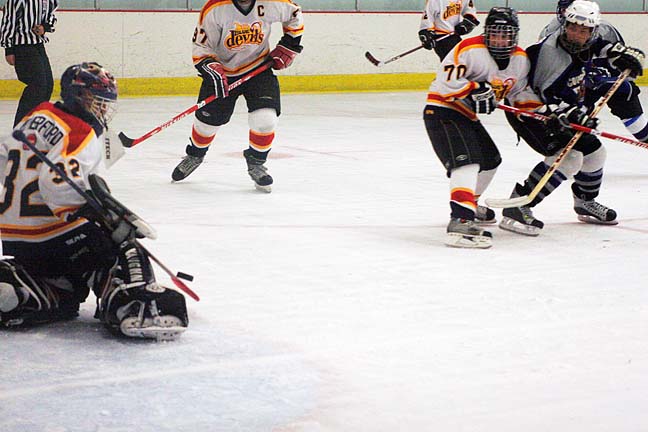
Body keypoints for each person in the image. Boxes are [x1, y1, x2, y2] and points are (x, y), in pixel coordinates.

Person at [0, 62, 189, 340]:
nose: (101, 109)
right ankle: (133, 304)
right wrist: (99, 215)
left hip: (14, 235)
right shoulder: (80, 131)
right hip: (53, 230)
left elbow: (3, 159)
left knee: (69, 290)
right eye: (96, 100)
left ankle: (21, 288)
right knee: (122, 248)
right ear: (77, 95)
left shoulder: (38, 114)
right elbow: (56, 185)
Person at [500, 0, 645, 236]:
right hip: (531, 112)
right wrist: (573, 113)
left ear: (592, 31)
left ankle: (584, 202)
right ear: (565, 25)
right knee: (569, 159)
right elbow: (546, 98)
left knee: (595, 153)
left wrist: (618, 54)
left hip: (560, 110)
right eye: (572, 28)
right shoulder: (551, 55)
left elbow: (600, 47)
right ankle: (519, 204)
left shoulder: (586, 42)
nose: (576, 34)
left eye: (583, 30)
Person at [424, 7, 543, 248]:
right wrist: (475, 89)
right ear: (487, 33)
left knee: (490, 160)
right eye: (495, 34)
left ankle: (471, 203)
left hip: (466, 115)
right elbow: (446, 84)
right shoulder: (469, 49)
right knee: (467, 162)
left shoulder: (520, 60)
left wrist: (544, 112)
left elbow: (519, 93)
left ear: (514, 36)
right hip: (442, 109)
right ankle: (461, 218)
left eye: (505, 35)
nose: (499, 40)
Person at [171, 0, 304, 193]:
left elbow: (294, 13)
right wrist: (210, 67)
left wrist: (289, 45)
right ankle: (195, 155)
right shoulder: (215, 8)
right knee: (207, 124)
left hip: (258, 70)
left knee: (265, 120)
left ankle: (257, 163)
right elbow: (202, 46)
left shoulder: (271, 2)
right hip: (222, 74)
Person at [538, 0, 647, 144]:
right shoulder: (550, 34)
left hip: (598, 78)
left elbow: (618, 63)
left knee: (624, 91)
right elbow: (546, 76)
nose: (577, 28)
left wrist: (624, 63)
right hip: (571, 86)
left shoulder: (605, 30)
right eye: (565, 10)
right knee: (573, 129)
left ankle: (645, 136)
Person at [0, 0, 58, 127]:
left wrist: (45, 27)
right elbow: (9, 20)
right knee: (38, 85)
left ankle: (35, 124)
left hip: (38, 44)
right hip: (22, 45)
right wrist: (8, 49)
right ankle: (20, 126)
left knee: (48, 86)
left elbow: (52, 14)